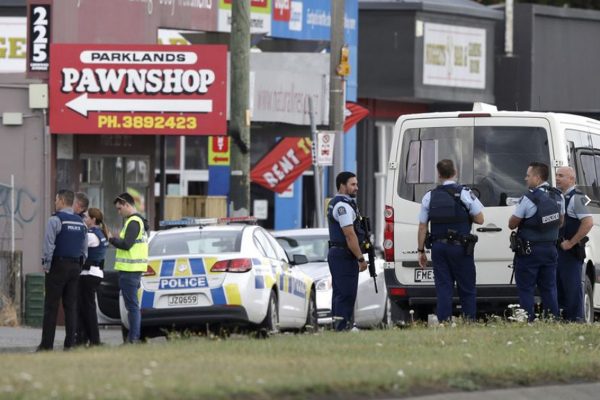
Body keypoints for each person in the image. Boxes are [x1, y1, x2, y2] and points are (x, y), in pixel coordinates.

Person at [417, 159, 484, 322]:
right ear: (455, 172)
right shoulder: (464, 193)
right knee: (466, 286)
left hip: (439, 247)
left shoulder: (429, 196)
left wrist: (421, 251)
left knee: (443, 287)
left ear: (439, 175)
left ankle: (444, 322)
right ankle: (469, 321)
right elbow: (480, 219)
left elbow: (422, 227)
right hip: (460, 247)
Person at [508, 162, 564, 321]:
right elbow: (560, 221)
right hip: (550, 249)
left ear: (537, 178)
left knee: (526, 288)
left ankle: (528, 320)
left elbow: (512, 224)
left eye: (528, 175)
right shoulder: (558, 195)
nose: (526, 178)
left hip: (529, 251)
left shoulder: (528, 198)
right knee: (550, 287)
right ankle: (552, 319)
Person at [38, 189, 88, 351]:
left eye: (56, 199)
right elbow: (84, 250)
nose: (54, 202)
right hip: (75, 267)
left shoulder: (55, 220)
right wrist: (79, 265)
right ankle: (70, 345)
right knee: (71, 307)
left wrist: (46, 265)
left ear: (61, 200)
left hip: (58, 266)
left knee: (51, 306)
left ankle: (47, 346)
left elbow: (49, 245)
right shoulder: (81, 222)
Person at [327, 172, 368, 331]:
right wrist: (360, 258)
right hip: (343, 254)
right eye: (353, 184)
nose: (356, 188)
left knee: (341, 293)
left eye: (356, 184)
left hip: (341, 253)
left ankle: (340, 325)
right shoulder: (342, 206)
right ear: (342, 185)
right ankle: (342, 327)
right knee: (346, 293)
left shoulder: (344, 203)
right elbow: (350, 235)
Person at [109, 192, 149, 343]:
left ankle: (133, 339)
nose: (119, 212)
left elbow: (126, 245)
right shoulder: (138, 221)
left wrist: (111, 239)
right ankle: (134, 337)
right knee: (133, 306)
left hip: (130, 271)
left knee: (132, 307)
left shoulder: (133, 222)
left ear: (126, 204)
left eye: (120, 208)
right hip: (133, 271)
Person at [555, 166, 593, 322]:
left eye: (561, 176)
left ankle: (576, 321)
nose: (557, 178)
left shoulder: (577, 198)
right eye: (556, 175)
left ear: (571, 179)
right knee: (560, 288)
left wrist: (571, 243)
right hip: (560, 252)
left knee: (572, 288)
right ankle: (565, 320)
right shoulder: (562, 197)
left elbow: (588, 222)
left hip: (570, 253)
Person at [76, 207, 109, 346]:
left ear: (93, 219)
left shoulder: (91, 235)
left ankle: (93, 340)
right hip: (95, 273)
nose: (85, 219)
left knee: (86, 309)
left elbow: (77, 245)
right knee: (87, 307)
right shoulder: (101, 233)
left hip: (88, 274)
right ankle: (90, 339)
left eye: (87, 218)